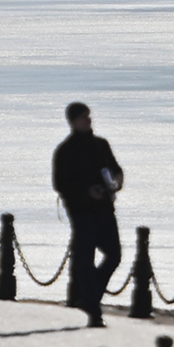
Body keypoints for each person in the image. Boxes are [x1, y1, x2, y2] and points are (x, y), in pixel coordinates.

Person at [51, 102, 124, 328]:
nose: (88, 120)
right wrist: (86, 192)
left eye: (88, 116)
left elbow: (116, 170)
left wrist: (115, 183)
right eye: (83, 117)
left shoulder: (101, 145)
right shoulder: (65, 150)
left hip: (105, 209)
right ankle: (93, 310)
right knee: (85, 261)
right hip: (81, 212)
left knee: (114, 255)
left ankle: (88, 299)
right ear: (73, 121)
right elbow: (60, 184)